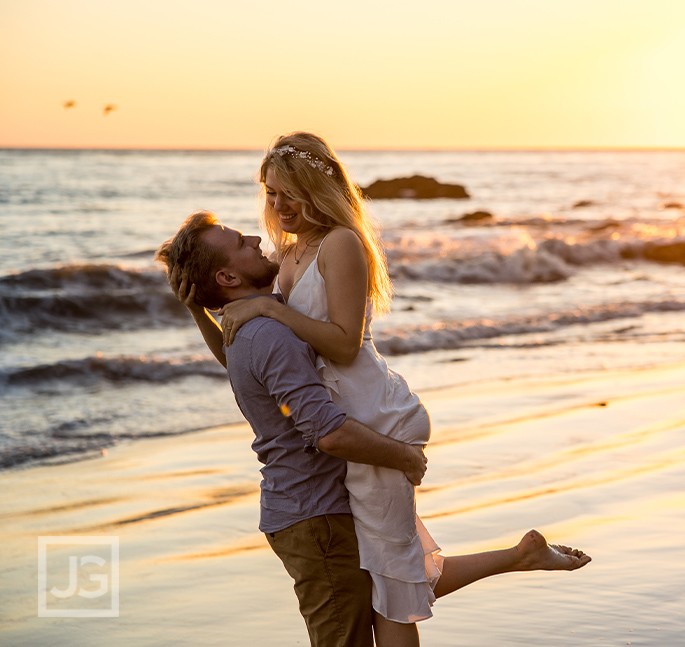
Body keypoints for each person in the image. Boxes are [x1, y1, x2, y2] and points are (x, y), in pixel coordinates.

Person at [170, 133, 591, 646]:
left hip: (371, 415)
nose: (273, 206)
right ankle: (522, 555)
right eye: (268, 192)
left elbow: (344, 346)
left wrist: (269, 307)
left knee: (392, 577)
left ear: (312, 188)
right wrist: (199, 306)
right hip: (346, 420)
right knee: (391, 571)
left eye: (285, 192)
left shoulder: (340, 243)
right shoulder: (289, 252)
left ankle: (521, 556)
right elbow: (249, 360)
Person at [156, 212, 427, 647]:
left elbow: (245, 367)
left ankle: (521, 556)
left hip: (307, 510)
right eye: (238, 241)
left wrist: (197, 310)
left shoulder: (251, 328)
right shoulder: (266, 334)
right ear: (227, 275)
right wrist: (406, 457)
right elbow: (328, 433)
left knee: (386, 602)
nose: (252, 236)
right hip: (314, 516)